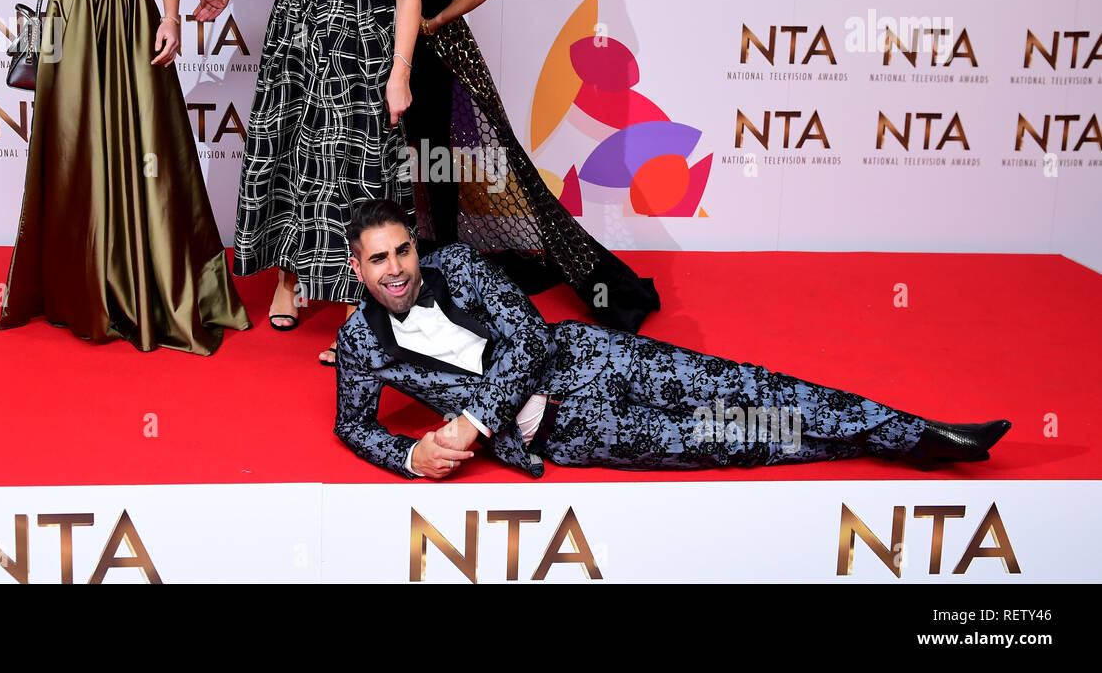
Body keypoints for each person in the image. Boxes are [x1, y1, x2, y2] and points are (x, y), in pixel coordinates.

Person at [335, 199, 1012, 479]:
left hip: (592, 357)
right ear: (355, 266)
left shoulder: (454, 262)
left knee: (752, 387)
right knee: (729, 436)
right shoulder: (362, 344)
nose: (395, 269)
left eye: (402, 251)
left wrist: (472, 420)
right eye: (378, 260)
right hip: (565, 430)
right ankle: (877, 439)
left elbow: (529, 337)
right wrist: (411, 454)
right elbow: (351, 426)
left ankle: (911, 430)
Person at [381, 0, 659, 333]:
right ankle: (411, 270)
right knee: (401, 162)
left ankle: (443, 272)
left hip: (437, 58)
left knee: (436, 162)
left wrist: (434, 21)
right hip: (395, 52)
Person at [0, 0, 250, 354]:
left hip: (137, 15)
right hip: (76, 20)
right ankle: (80, 285)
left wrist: (171, 18)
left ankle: (151, 279)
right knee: (76, 143)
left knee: (150, 141)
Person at [195, 0, 421, 366]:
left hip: (358, 49)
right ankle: (290, 280)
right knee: (293, 162)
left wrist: (399, 74)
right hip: (294, 40)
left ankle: (355, 304)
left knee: (354, 174)